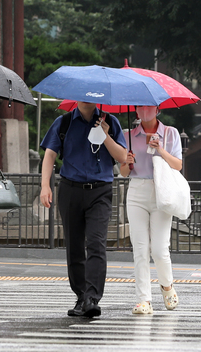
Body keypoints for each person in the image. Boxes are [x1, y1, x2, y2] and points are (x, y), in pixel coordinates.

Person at [40, 102, 127, 318]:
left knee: (96, 243)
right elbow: (50, 155)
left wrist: (105, 135)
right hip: (70, 189)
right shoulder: (64, 122)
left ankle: (92, 297)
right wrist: (44, 186)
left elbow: (123, 157)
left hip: (100, 191)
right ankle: (81, 296)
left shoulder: (110, 122)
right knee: (75, 246)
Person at [118, 106, 182, 315]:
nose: (145, 110)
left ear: (157, 109)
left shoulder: (170, 133)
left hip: (161, 190)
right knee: (140, 248)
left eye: (149, 106)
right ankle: (144, 299)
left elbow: (178, 165)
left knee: (159, 249)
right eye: (140, 107)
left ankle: (167, 286)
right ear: (136, 111)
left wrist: (161, 150)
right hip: (137, 191)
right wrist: (127, 162)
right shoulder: (128, 135)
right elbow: (123, 172)